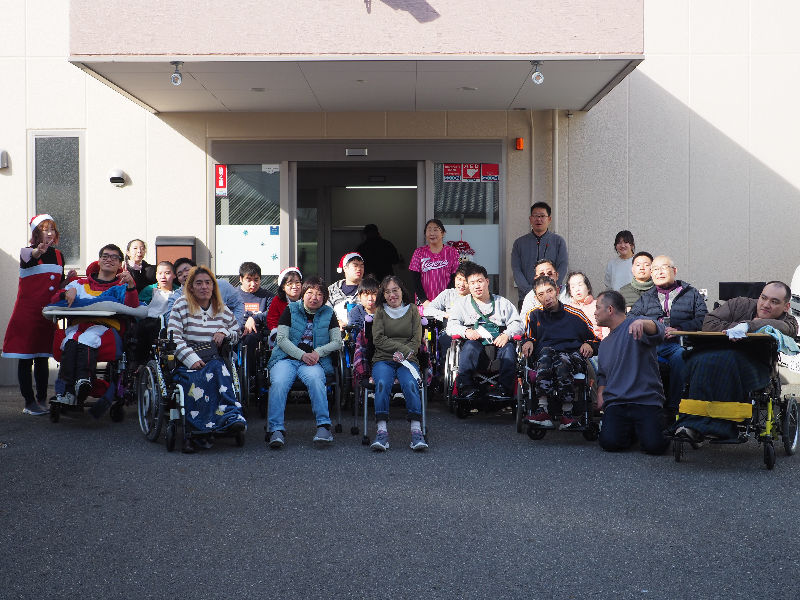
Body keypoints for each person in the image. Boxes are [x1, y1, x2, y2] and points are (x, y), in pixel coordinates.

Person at [674, 281, 798, 442]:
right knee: (699, 360)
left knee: (727, 362)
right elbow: (708, 323)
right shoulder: (738, 304)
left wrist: (748, 326)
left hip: (756, 365)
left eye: (774, 302)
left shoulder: (790, 322)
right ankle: (690, 423)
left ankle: (720, 426)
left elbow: (785, 328)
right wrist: (734, 328)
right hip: (715, 354)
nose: (766, 304)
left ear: (786, 307)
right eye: (763, 298)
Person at [52, 244, 139, 416]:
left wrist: (131, 285)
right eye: (105, 256)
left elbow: (132, 307)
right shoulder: (78, 284)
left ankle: (84, 381)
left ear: (120, 264)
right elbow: (54, 299)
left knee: (87, 337)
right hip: (78, 328)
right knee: (71, 339)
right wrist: (65, 293)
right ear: (99, 260)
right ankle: (67, 391)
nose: (109, 259)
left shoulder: (121, 287)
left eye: (114, 257)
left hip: (106, 330)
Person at [2, 214, 76, 415]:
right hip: (27, 314)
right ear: (36, 233)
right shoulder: (27, 252)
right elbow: (31, 257)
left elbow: (56, 286)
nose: (50, 233)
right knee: (26, 358)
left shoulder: (59, 255)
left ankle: (42, 399)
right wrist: (38, 251)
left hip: (47, 314)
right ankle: (29, 402)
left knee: (43, 357)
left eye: (52, 229)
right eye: (45, 229)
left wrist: (68, 281)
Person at [168, 265, 246, 453]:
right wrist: (191, 358)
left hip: (213, 358)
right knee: (197, 381)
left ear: (213, 286)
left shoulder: (221, 308)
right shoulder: (181, 305)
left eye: (208, 283)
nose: (204, 287)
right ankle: (196, 431)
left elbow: (236, 332)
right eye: (199, 283)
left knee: (219, 372)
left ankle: (230, 417)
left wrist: (224, 331)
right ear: (191, 287)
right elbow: (173, 337)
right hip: (187, 361)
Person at [266, 276, 342, 449]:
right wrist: (301, 355)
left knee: (316, 380)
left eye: (319, 294)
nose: (314, 297)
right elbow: (281, 339)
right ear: (303, 294)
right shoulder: (291, 309)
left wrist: (318, 352)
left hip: (313, 360)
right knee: (279, 382)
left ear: (325, 297)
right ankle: (276, 429)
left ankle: (324, 427)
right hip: (285, 359)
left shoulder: (329, 313)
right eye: (310, 293)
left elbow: (337, 342)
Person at [590, 290, 670, 453]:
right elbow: (603, 376)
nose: (595, 312)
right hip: (617, 403)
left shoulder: (636, 325)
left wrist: (643, 323)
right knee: (609, 443)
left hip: (645, 401)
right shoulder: (604, 344)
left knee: (655, 447)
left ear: (610, 309)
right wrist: (600, 394)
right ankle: (634, 431)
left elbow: (659, 330)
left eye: (598, 308)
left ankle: (658, 423)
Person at [628, 255, 708, 417]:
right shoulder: (646, 297)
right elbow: (631, 318)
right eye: (655, 269)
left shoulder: (691, 293)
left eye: (664, 267)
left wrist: (679, 329)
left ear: (674, 271)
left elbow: (704, 319)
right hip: (652, 344)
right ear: (651, 274)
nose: (659, 272)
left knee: (679, 356)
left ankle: (673, 406)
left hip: (679, 343)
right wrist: (651, 327)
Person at [522, 275, 599, 429]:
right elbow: (528, 337)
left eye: (549, 291)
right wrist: (528, 341)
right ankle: (543, 410)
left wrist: (589, 344)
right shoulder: (533, 315)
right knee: (546, 353)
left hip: (572, 355)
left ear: (557, 291)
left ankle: (567, 413)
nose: (547, 297)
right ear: (537, 298)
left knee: (562, 359)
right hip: (546, 357)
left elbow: (595, 339)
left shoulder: (576, 314)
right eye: (541, 294)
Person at [447, 262, 523, 400]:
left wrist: (507, 334)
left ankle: (504, 390)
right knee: (469, 347)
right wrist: (466, 331)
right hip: (475, 345)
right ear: (468, 286)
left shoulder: (502, 303)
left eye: (480, 281)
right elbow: (451, 326)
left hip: (499, 345)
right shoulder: (461, 305)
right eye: (472, 283)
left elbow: (518, 324)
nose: (477, 286)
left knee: (509, 349)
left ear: (487, 281)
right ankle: (467, 388)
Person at [369, 276, 428, 452]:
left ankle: (416, 432)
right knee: (382, 383)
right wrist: (400, 349)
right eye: (387, 292)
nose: (391, 295)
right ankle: (382, 432)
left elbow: (416, 340)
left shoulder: (413, 310)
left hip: (408, 359)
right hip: (383, 359)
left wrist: (404, 353)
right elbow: (378, 339)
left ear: (402, 291)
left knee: (410, 383)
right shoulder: (380, 311)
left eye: (395, 290)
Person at [511, 202, 568, 306]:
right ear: (530, 219)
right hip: (526, 297)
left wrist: (550, 290)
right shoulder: (519, 243)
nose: (539, 219)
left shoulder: (558, 241)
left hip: (552, 298)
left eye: (542, 216)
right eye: (535, 216)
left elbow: (562, 266)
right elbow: (516, 270)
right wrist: (531, 292)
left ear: (549, 219)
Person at [165, 257, 245, 328]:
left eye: (187, 270)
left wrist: (232, 328)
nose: (185, 274)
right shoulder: (176, 298)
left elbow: (238, 304)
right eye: (180, 274)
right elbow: (171, 322)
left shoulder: (222, 285)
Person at [423, 262, 471, 362]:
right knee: (445, 338)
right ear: (455, 278)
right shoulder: (448, 294)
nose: (461, 284)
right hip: (449, 330)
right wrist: (445, 315)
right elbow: (428, 310)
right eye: (459, 279)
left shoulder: (475, 296)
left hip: (470, 331)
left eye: (466, 281)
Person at [408, 219, 460, 307]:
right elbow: (415, 279)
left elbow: (455, 277)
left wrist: (444, 299)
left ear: (443, 233)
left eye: (436, 230)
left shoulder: (452, 252)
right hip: (424, 303)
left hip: (447, 302)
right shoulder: (419, 252)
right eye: (429, 230)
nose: (432, 233)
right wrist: (424, 301)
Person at [519, 259, 568, 323]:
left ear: (557, 275)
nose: (546, 277)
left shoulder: (569, 291)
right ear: (536, 278)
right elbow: (524, 321)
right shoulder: (531, 296)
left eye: (549, 273)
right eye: (542, 275)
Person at [565, 271, 607, 340]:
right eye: (573, 287)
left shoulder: (599, 305)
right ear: (570, 292)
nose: (577, 289)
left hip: (597, 343)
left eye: (580, 285)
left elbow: (606, 329)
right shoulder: (567, 310)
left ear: (588, 288)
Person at [266, 267, 303, 340]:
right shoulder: (277, 300)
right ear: (283, 287)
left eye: (297, 282)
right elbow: (272, 321)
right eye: (290, 283)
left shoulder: (307, 298)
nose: (294, 286)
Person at [328, 252, 365, 327]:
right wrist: (337, 322)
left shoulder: (370, 288)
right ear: (345, 268)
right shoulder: (332, 289)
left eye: (361, 266)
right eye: (355, 265)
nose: (359, 269)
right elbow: (326, 311)